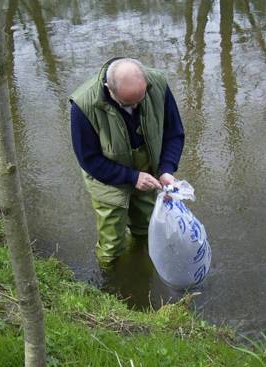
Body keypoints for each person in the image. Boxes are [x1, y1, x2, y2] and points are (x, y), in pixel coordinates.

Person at [70, 57, 185, 268]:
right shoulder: (83, 105)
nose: (135, 107)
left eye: (140, 100)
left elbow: (174, 133)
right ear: (108, 89)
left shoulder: (157, 85)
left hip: (147, 170)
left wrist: (166, 169)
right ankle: (109, 283)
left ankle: (140, 270)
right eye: (127, 104)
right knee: (112, 244)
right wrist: (131, 177)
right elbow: (89, 159)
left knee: (148, 229)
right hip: (106, 176)